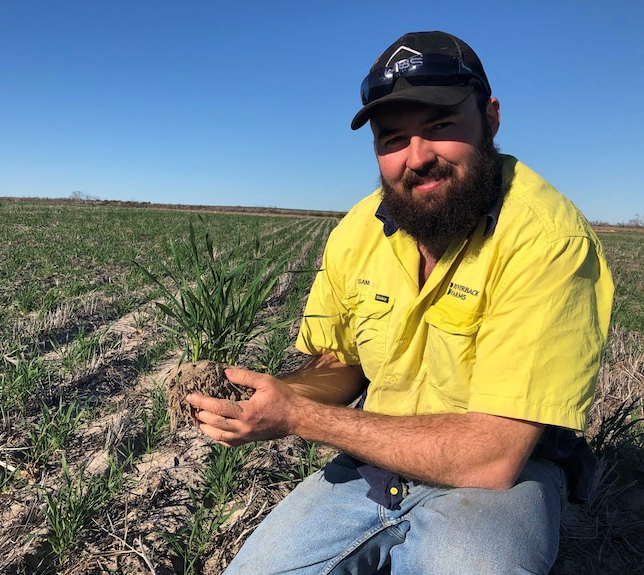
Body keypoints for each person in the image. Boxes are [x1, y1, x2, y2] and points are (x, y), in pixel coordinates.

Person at [186, 30, 613, 574]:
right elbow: (340, 364)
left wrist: (298, 416)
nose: (417, 157)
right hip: (372, 462)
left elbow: (492, 456)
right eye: (392, 139)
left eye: (440, 127)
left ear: (491, 117)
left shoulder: (548, 240)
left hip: (498, 483)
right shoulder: (356, 232)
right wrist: (266, 397)